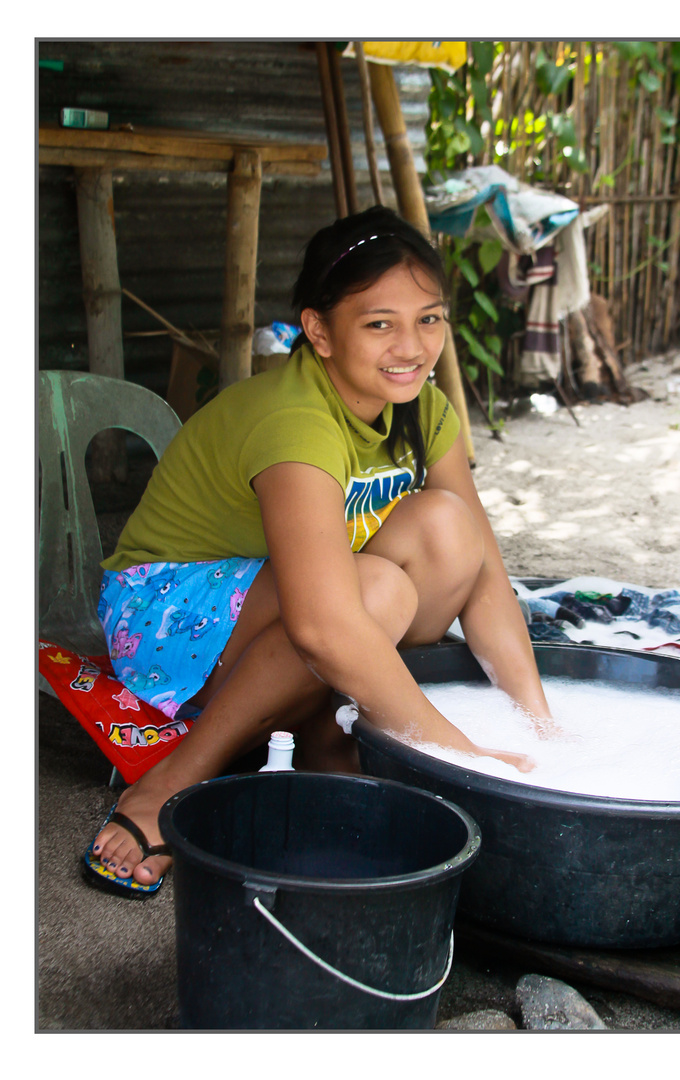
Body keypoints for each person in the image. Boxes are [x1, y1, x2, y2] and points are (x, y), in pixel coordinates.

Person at [87, 205, 553, 897]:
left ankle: (318, 735)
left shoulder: (422, 407)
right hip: (165, 615)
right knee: (375, 591)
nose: (412, 345)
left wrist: (539, 724)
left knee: (450, 528)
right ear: (319, 331)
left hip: (288, 608)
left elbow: (482, 574)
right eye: (379, 324)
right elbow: (322, 624)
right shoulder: (295, 420)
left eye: (429, 318)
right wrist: (459, 755)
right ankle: (173, 780)